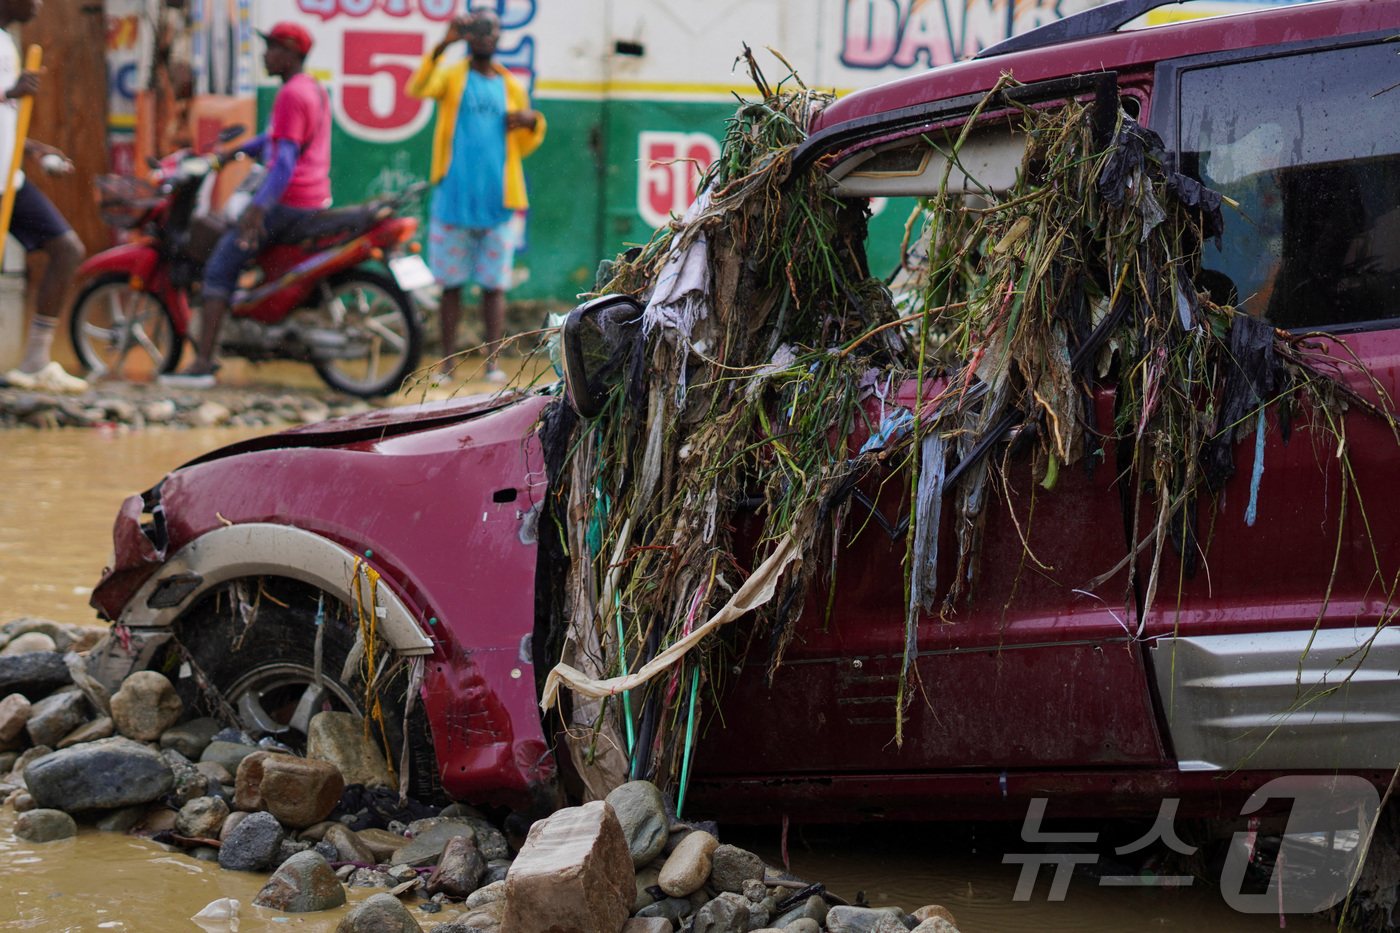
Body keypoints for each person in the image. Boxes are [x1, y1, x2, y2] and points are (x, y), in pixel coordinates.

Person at [161, 21, 329, 388]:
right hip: (313, 198)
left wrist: (259, 208)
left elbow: (283, 164)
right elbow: (273, 141)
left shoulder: (289, 95)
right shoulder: (311, 88)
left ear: (287, 53)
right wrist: (225, 156)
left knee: (220, 265)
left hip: (287, 202)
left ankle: (203, 362)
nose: (265, 55)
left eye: (270, 48)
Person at [409, 7, 545, 383]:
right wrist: (442, 45)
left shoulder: (511, 85)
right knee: (450, 286)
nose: (486, 35)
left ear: (500, 36)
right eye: (478, 29)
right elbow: (419, 87)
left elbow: (525, 142)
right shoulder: (452, 76)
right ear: (468, 35)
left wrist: (535, 122)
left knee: (493, 287)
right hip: (452, 199)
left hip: (499, 203)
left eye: (492, 29)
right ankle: (447, 364)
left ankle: (492, 364)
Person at [0, 0, 89, 393]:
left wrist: (34, 149)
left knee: (67, 249)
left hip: (8, 181)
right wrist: (7, 90)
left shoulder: (8, 42)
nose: (38, 3)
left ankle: (36, 361)